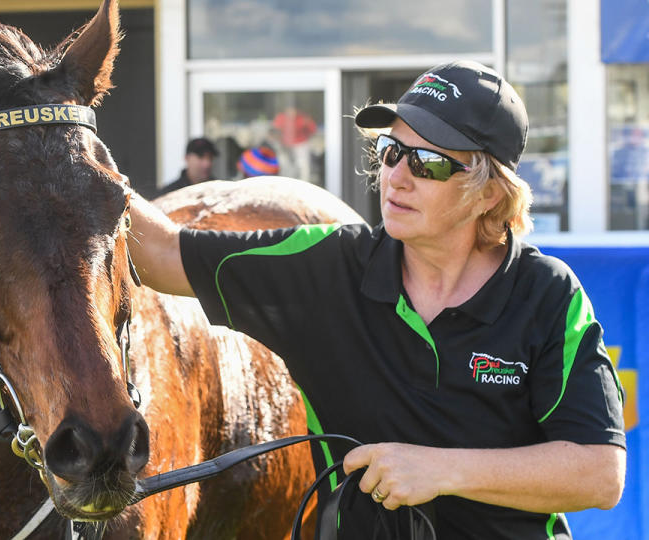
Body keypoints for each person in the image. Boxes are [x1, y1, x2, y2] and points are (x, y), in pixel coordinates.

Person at [126, 60, 625, 538]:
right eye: (392, 151)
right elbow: (163, 253)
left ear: (489, 193)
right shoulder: (328, 265)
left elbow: (600, 472)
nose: (397, 177)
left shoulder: (547, 292)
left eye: (428, 163)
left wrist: (439, 470)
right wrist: (66, 138)